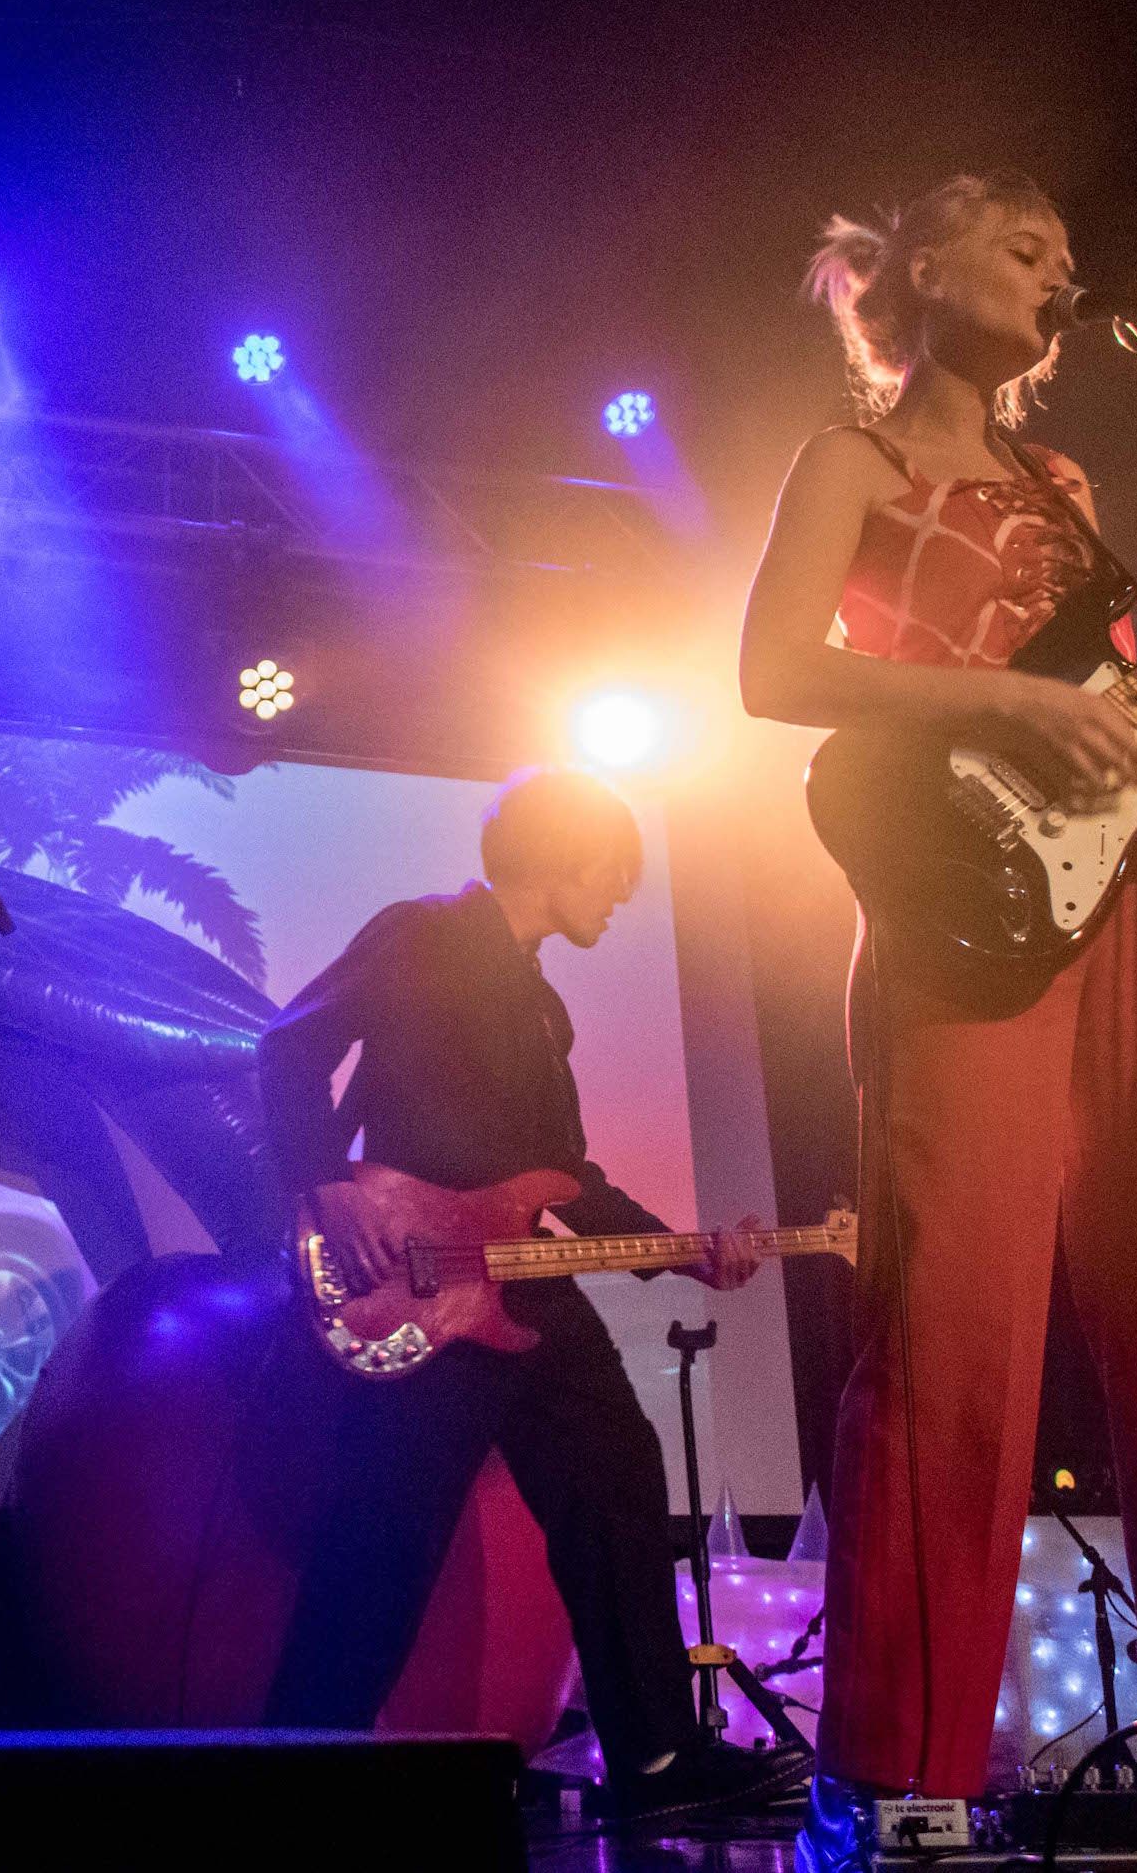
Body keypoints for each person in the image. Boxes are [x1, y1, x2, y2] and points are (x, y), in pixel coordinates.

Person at [736, 174, 1137, 1864]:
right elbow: (771, 672)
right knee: (956, 1316)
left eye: (1062, 250)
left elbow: (1113, 713)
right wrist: (1003, 694)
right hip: (963, 913)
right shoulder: (858, 461)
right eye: (1027, 242)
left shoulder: (1067, 478)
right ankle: (902, 1765)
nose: (1062, 268)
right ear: (927, 268)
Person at [258, 767, 777, 1821]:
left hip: (518, 1287)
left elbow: (561, 1177)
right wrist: (322, 1180)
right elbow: (289, 1046)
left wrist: (686, 1250)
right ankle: (293, 1774)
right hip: (412, 1283)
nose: (621, 895)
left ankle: (655, 1763)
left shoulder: (541, 1005)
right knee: (383, 1534)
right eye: (615, 873)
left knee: (619, 1486)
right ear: (560, 855)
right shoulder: (421, 930)